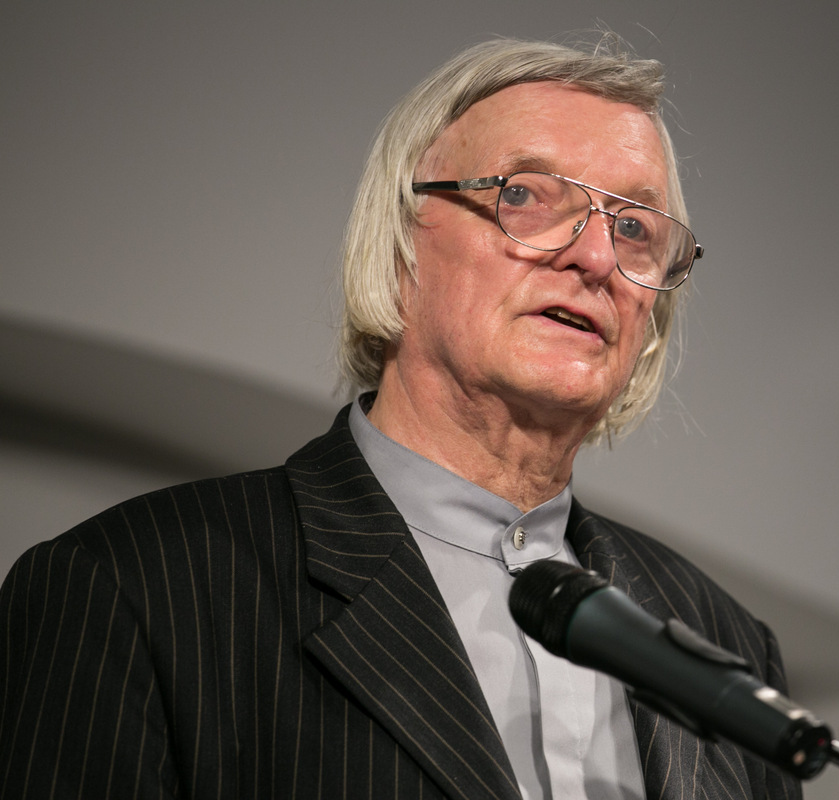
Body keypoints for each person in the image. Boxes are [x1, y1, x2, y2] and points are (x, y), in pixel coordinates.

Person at [0, 36, 798, 800]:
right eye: (525, 195)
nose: (594, 259)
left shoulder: (727, 644)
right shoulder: (135, 587)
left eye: (633, 228)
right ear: (397, 246)